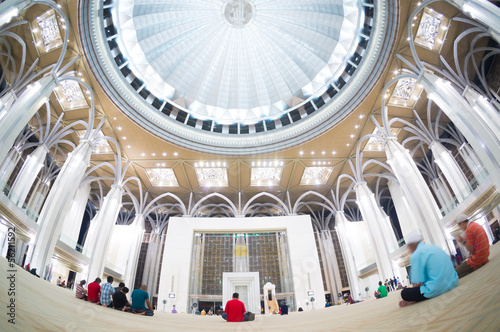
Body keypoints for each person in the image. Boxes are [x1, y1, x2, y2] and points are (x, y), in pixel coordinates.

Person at [399, 231, 458, 308]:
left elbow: (419, 281)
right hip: (453, 281)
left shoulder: (416, 255)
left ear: (411, 245)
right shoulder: (433, 247)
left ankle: (414, 299)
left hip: (438, 288)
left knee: (405, 293)